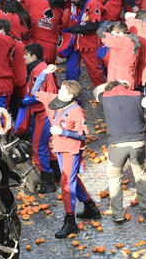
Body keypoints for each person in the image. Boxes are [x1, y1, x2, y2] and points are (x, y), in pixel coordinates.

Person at [34, 67, 101, 238]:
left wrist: (62, 132)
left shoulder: (76, 111)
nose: (59, 91)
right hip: (59, 148)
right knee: (71, 179)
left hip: (71, 150)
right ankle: (90, 207)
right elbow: (35, 91)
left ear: (70, 96)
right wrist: (45, 73)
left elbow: (82, 135)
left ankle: (70, 221)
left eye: (63, 90)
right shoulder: (53, 99)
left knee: (66, 183)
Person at [94, 80, 146, 223]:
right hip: (137, 142)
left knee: (115, 178)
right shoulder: (137, 95)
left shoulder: (105, 97)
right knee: (142, 175)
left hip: (117, 145)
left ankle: (118, 214)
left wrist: (108, 83)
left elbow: (95, 90)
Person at [18, 43, 59, 192]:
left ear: (33, 56)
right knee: (44, 145)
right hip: (47, 111)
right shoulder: (42, 67)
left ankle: (47, 182)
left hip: (44, 112)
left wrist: (24, 101)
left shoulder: (38, 70)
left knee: (38, 146)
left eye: (26, 54)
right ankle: (56, 173)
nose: (23, 57)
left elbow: (38, 96)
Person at [56, 0, 106, 87]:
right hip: (74, 43)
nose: (73, 0)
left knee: (95, 71)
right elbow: (56, 2)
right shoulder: (71, 2)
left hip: (88, 43)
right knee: (70, 71)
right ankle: (74, 97)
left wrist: (75, 29)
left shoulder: (92, 4)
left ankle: (104, 94)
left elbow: (93, 26)